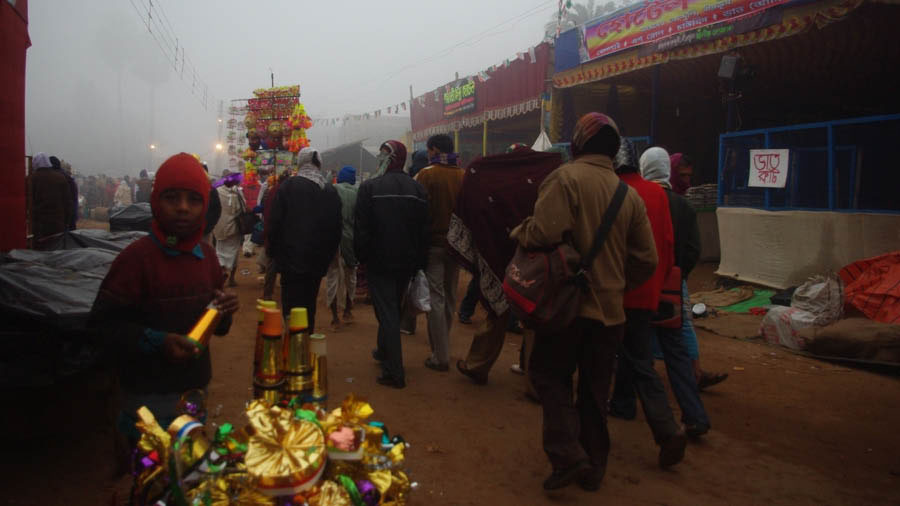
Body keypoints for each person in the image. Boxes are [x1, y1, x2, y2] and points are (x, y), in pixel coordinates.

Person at [511, 113, 658, 492]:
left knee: (548, 376)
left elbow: (543, 232)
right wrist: (617, 286)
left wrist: (520, 230)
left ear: (577, 143)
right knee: (595, 391)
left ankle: (567, 455)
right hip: (610, 314)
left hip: (566, 308)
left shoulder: (565, 179)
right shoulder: (630, 195)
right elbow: (647, 261)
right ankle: (593, 469)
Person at [89, 152, 238, 448]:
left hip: (194, 391)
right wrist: (157, 341)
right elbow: (102, 326)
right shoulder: (135, 259)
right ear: (157, 201)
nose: (183, 208)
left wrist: (225, 311)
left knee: (187, 471)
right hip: (145, 396)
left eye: (193, 200)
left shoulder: (207, 258)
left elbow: (217, 329)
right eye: (172, 198)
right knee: (151, 478)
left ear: (205, 207)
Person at [449, 144, 561, 391]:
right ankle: (534, 383)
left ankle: (478, 365)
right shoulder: (549, 177)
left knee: (498, 309)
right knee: (534, 318)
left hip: (502, 250)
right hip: (538, 257)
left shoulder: (493, 177)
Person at [608, 138, 688, 467]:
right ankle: (626, 406)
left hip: (609, 291)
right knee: (637, 355)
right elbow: (668, 248)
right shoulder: (658, 195)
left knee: (600, 355)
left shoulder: (608, 191)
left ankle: (666, 430)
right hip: (646, 292)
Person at [642, 147, 720, 436]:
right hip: (672, 289)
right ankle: (695, 415)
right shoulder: (684, 206)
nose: (687, 180)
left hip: (641, 289)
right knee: (675, 347)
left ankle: (636, 410)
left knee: (637, 351)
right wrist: (677, 276)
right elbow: (693, 250)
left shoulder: (640, 200)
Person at [355, 140, 429, 389]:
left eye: (383, 154)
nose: (379, 158)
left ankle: (394, 372)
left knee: (387, 312)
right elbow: (423, 231)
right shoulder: (417, 189)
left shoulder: (370, 188)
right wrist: (420, 262)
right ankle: (383, 351)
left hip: (380, 259)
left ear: (392, 158)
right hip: (406, 261)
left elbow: (362, 229)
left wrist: (361, 258)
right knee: (392, 309)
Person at [267, 147, 342, 331]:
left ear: (300, 162)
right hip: (316, 262)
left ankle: (294, 346)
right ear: (319, 163)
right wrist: (327, 257)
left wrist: (273, 254)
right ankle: (305, 344)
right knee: (309, 304)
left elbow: (274, 223)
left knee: (291, 305)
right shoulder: (329, 191)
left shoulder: (288, 186)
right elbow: (335, 228)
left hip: (290, 261)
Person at [414, 134, 465, 372]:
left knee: (436, 297)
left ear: (433, 150)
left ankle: (440, 354)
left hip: (433, 245)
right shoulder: (463, 176)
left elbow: (418, 212)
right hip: (456, 246)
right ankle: (441, 347)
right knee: (450, 297)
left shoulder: (426, 175)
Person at [327, 166, 359, 329]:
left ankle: (334, 317)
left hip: (333, 239)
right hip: (352, 241)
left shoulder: (331, 190)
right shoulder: (358, 193)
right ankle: (347, 310)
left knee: (333, 277)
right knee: (350, 277)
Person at [29, 152, 75, 249]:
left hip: (39, 225)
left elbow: (29, 201)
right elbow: (68, 203)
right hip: (58, 223)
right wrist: (66, 221)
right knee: (56, 251)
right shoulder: (60, 178)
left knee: (40, 251)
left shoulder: (32, 179)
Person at [213, 170, 245, 287]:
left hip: (219, 228)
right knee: (234, 253)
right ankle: (231, 278)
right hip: (234, 229)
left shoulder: (216, 191)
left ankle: (221, 273)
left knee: (219, 252)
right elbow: (243, 208)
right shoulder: (238, 192)